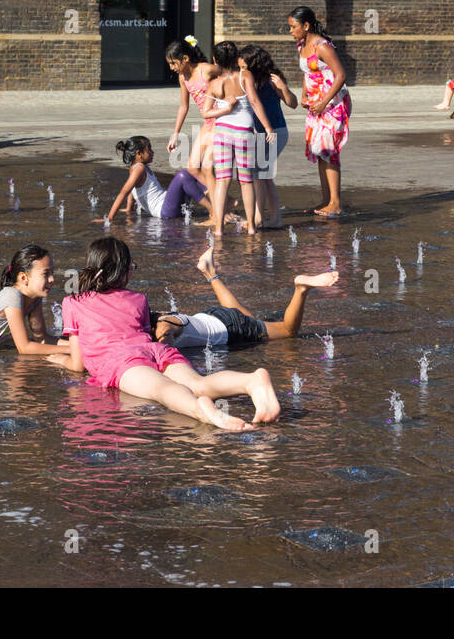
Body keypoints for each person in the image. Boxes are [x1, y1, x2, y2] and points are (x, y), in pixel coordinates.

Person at [58, 237, 280, 430]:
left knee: (161, 389)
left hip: (121, 362)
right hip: (156, 350)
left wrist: (56, 358)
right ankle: (251, 381)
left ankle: (200, 410)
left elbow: (78, 364)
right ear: (125, 272)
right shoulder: (138, 299)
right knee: (199, 384)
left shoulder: (72, 301)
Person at [152, 247, 338, 348]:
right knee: (245, 318)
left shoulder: (161, 326)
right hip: (213, 317)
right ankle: (209, 272)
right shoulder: (155, 318)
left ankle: (301, 289)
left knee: (287, 331)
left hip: (229, 328)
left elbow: (164, 330)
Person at [202, 41, 275, 235]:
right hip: (244, 134)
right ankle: (251, 226)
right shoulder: (245, 75)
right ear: (236, 58)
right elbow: (254, 100)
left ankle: (218, 228)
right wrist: (267, 127)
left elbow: (206, 113)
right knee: (246, 181)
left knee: (222, 181)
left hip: (222, 135)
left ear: (215, 60)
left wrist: (225, 109)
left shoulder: (214, 84)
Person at [289, 6, 351, 217]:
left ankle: (335, 203)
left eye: (293, 26)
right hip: (316, 104)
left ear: (306, 26)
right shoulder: (301, 46)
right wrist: (304, 95)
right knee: (320, 150)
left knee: (329, 151)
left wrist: (324, 102)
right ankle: (326, 200)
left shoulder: (322, 47)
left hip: (333, 104)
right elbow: (307, 74)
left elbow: (341, 75)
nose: (290, 31)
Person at [238, 44, 297, 228]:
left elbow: (293, 103)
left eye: (244, 67)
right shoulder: (250, 79)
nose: (241, 71)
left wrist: (283, 87)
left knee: (259, 174)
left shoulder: (272, 79)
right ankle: (275, 218)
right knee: (264, 175)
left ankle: (258, 219)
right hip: (263, 133)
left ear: (254, 63)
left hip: (276, 132)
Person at [98, 136, 211, 222]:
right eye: (149, 150)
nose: (153, 152)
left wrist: (129, 208)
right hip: (165, 211)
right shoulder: (139, 169)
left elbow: (132, 191)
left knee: (195, 166)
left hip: (172, 207)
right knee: (182, 176)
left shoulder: (137, 169)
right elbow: (123, 193)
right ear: (139, 154)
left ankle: (212, 197)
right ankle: (214, 209)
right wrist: (109, 218)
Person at [165, 37, 221, 198]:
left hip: (220, 121)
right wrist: (175, 133)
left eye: (173, 63)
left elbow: (230, 75)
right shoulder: (183, 77)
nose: (171, 68)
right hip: (207, 123)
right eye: (169, 64)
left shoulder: (206, 70)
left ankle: (218, 212)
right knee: (192, 168)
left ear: (185, 59)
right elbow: (184, 105)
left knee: (207, 169)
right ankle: (226, 202)